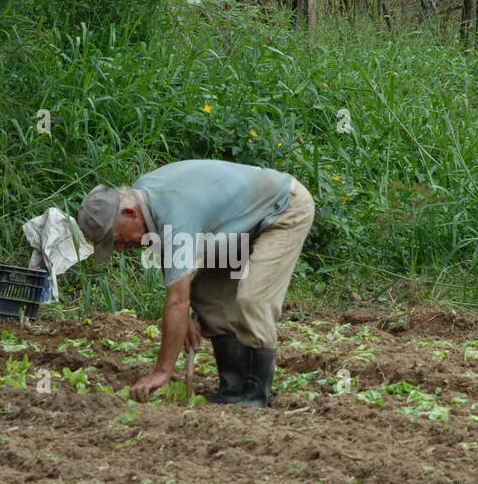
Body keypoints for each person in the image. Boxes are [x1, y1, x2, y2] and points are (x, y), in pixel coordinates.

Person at [77, 159, 314, 407]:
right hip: (241, 224)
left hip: (283, 210)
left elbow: (178, 299)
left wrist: (162, 371)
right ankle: (233, 387)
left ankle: (255, 396)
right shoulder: (144, 197)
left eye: (116, 239)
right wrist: (185, 312)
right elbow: (173, 269)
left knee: (253, 299)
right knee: (207, 295)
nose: (121, 248)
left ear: (129, 213)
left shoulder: (175, 213)